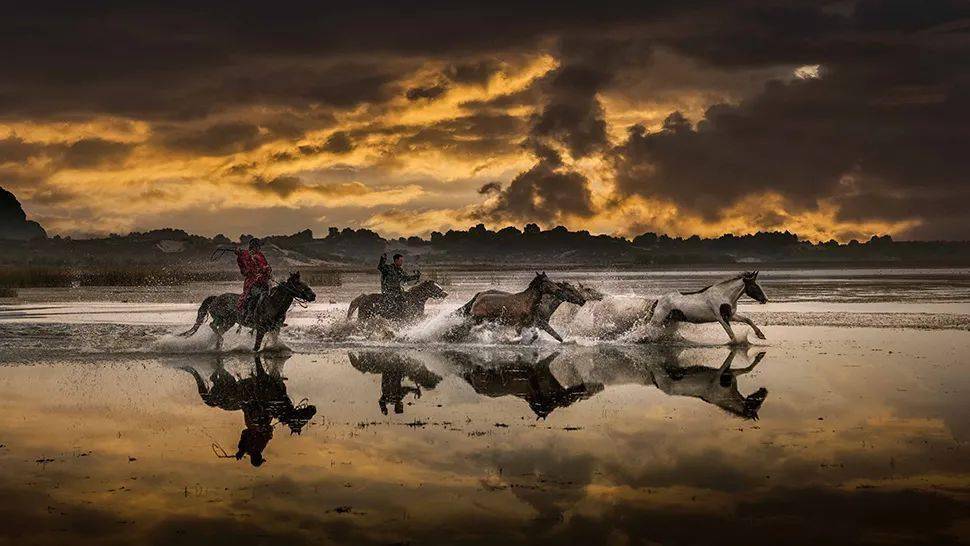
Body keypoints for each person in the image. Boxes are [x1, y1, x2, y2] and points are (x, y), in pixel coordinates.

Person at [236, 238, 272, 324]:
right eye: (257, 246)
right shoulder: (246, 256)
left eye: (259, 247)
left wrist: (268, 270)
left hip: (264, 281)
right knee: (256, 296)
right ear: (254, 247)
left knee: (271, 296)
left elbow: (265, 266)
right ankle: (249, 315)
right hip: (252, 282)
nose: (259, 248)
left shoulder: (260, 255)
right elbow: (247, 269)